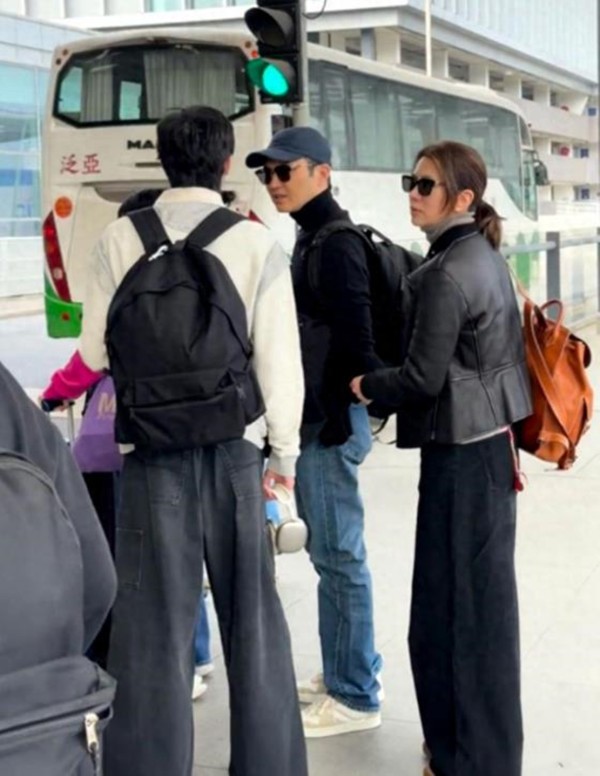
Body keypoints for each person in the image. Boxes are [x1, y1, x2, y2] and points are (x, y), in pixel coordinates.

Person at [44, 106, 307, 776]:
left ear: (161, 162)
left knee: (151, 632)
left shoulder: (119, 239)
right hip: (236, 455)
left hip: (150, 457)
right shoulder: (254, 243)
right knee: (254, 623)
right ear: (226, 163)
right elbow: (279, 362)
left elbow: (94, 352)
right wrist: (284, 457)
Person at [350, 141, 533, 776]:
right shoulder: (483, 256)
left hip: (460, 460)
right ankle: (478, 752)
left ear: (463, 197)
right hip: (490, 448)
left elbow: (422, 378)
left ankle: (464, 758)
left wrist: (367, 385)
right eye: (412, 181)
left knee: (449, 614)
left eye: (426, 185)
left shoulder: (445, 273)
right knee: (480, 609)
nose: (413, 193)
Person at [246, 126, 383, 738]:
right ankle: (346, 672)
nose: (274, 183)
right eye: (266, 174)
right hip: (322, 421)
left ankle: (356, 695)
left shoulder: (335, 243)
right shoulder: (310, 236)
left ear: (321, 173)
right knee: (333, 557)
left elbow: (358, 345)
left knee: (339, 558)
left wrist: (332, 415)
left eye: (285, 171)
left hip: (329, 425)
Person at [0, 360, 116, 668]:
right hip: (33, 680)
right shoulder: (10, 401)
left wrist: (59, 390)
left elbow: (90, 356)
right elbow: (97, 581)